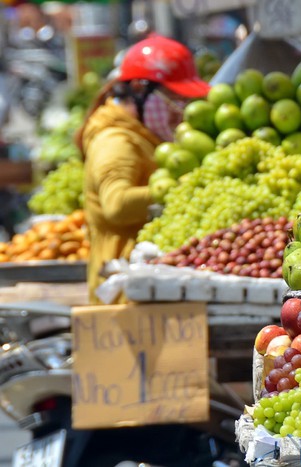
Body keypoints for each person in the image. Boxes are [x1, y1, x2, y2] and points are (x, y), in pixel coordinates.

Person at [75, 35, 210, 304]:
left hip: (141, 284)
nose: (179, 109)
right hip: (122, 292)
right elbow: (116, 203)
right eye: (173, 97)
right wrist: (182, 190)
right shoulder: (115, 140)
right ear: (139, 88)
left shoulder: (140, 135)